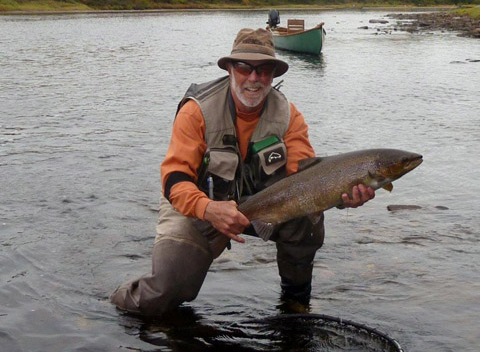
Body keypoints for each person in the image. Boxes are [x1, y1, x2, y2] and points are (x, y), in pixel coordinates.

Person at [110, 28, 374, 316]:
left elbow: (306, 181)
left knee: (306, 222)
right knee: (164, 293)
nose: (253, 77)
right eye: (244, 67)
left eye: (263, 69)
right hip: (195, 206)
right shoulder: (196, 110)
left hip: (262, 206)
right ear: (229, 68)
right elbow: (174, 180)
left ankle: (295, 305)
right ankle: (114, 302)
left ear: (273, 74)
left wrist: (340, 195)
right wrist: (208, 209)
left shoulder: (289, 116)